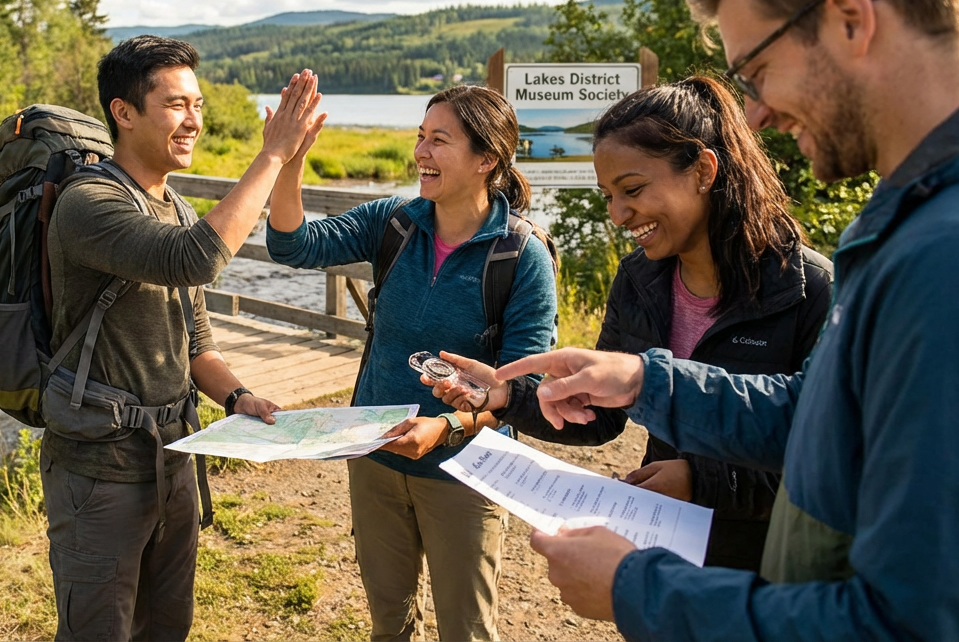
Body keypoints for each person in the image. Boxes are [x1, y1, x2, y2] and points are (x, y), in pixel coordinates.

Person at [496, 0, 959, 639]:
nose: (754, 113)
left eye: (757, 71)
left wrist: (636, 588)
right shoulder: (928, 218)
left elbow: (921, 627)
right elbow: (821, 418)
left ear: (850, 19)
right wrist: (645, 380)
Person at [434, 75, 833, 571]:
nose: (619, 215)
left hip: (767, 572)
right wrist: (505, 397)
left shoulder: (808, 290)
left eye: (633, 189)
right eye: (607, 195)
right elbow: (600, 418)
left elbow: (829, 456)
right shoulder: (637, 281)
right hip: (661, 559)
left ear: (703, 171)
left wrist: (701, 483)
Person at [41, 36, 325, 641]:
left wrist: (238, 397)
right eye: (176, 104)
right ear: (123, 112)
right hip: (100, 467)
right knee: (99, 632)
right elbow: (195, 259)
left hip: (174, 456)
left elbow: (196, 340)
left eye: (198, 104)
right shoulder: (89, 202)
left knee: (169, 626)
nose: (193, 119)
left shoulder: (176, 207)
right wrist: (272, 155)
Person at [265, 85, 558, 640]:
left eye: (439, 140)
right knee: (389, 625)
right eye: (420, 137)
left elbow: (526, 389)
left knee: (466, 631)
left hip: (466, 472)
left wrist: (445, 428)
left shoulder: (521, 256)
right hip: (375, 458)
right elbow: (292, 245)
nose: (421, 152)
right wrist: (290, 161)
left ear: (486, 159)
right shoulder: (393, 222)